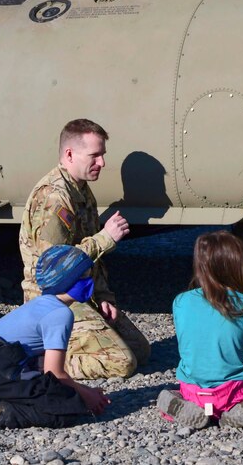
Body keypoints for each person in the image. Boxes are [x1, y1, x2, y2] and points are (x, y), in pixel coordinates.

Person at [19, 118, 150, 380]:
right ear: (69, 154)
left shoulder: (81, 190)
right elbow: (54, 271)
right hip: (53, 301)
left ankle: (63, 349)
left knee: (140, 350)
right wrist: (105, 238)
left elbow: (93, 260)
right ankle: (41, 362)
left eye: (102, 155)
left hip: (79, 293)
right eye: (95, 155)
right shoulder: (54, 198)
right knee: (122, 363)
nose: (102, 162)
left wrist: (103, 296)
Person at [0, 246, 111, 429]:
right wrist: (86, 395)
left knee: (58, 391)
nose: (90, 278)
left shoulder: (39, 304)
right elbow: (55, 373)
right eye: (85, 273)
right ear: (68, 279)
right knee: (64, 410)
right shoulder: (60, 313)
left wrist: (79, 391)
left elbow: (41, 368)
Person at [157, 231, 243, 429]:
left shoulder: (180, 301)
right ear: (236, 266)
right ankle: (242, 409)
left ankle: (177, 402)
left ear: (200, 265)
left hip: (193, 390)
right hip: (235, 392)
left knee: (184, 391)